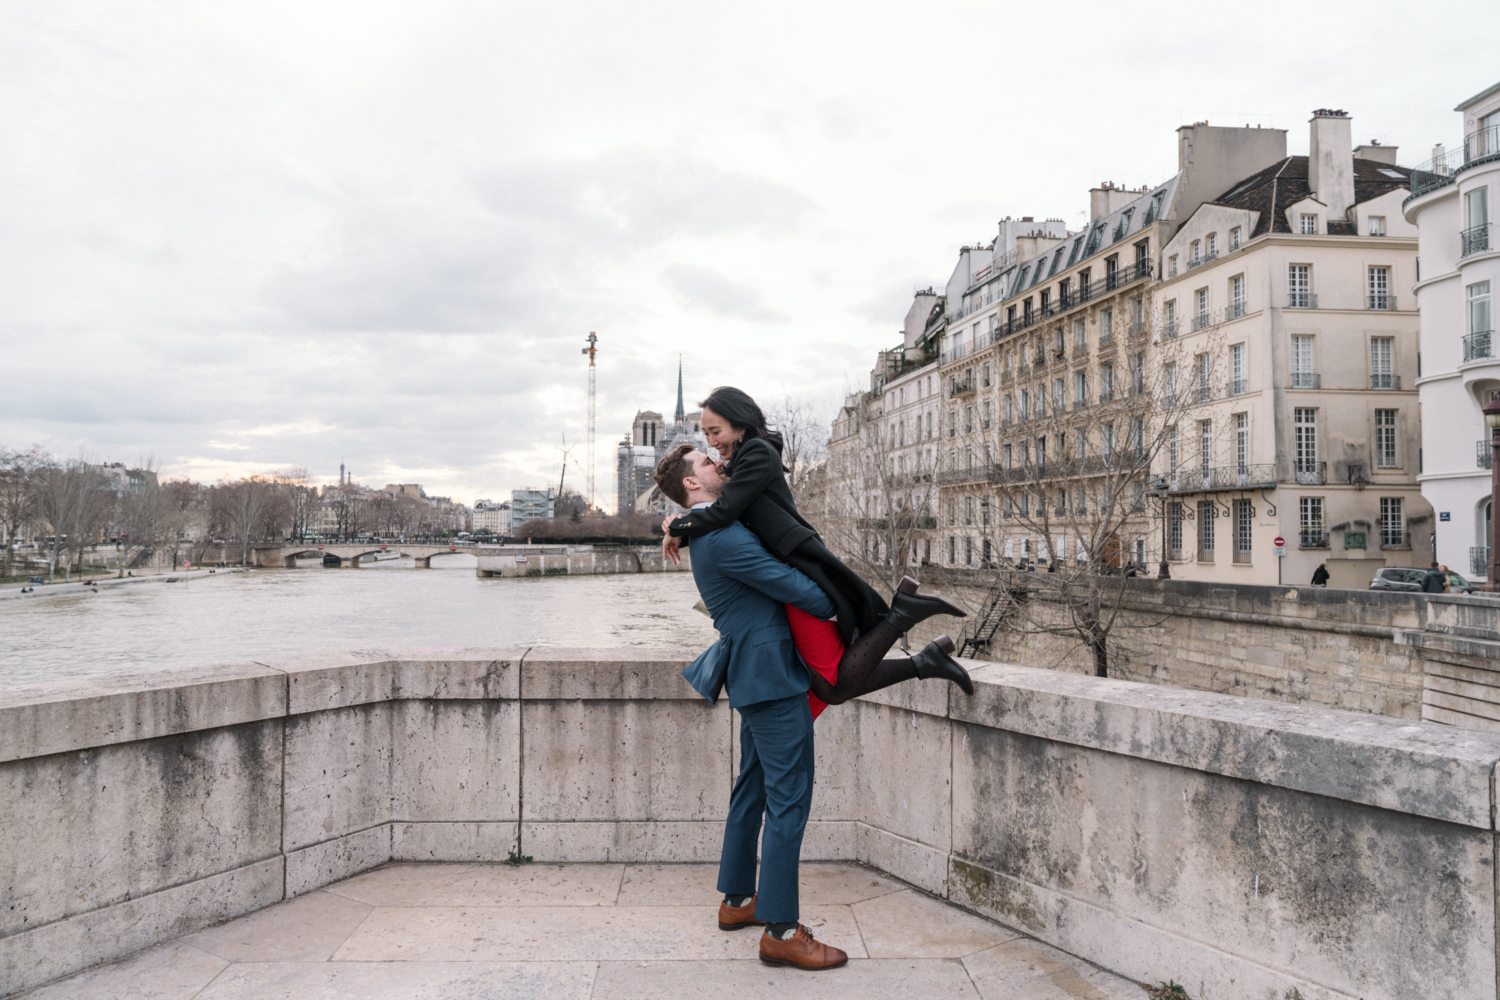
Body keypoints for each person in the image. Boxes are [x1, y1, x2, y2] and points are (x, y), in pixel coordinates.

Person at [661, 387, 972, 711]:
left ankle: (904, 618)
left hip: (797, 562)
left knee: (831, 683)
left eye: (715, 431)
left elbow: (724, 511)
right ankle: (924, 654)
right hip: (788, 565)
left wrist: (676, 527)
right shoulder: (742, 460)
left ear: (740, 425)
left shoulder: (756, 453)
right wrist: (679, 530)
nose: (711, 442)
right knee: (829, 686)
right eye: (707, 434)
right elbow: (725, 514)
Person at [665, 446, 848, 970]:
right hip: (771, 677)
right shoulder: (721, 536)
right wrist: (834, 599)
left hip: (753, 674)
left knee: (753, 788)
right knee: (789, 799)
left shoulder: (706, 528)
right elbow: (800, 592)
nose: (717, 463)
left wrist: (674, 524)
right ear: (693, 486)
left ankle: (739, 900)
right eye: (705, 461)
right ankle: (783, 932)